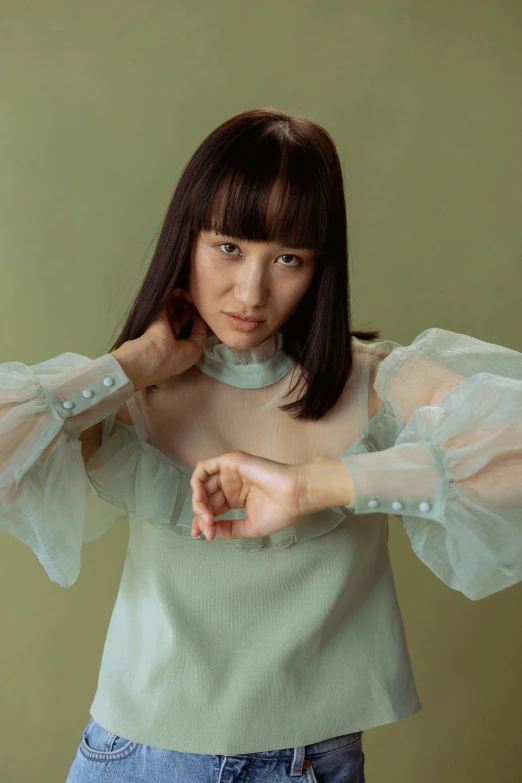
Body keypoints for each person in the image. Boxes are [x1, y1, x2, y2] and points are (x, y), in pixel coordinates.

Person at [1, 107, 521, 783]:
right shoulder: (130, 393)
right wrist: (134, 361)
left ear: (319, 268)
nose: (251, 290)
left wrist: (314, 484)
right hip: (136, 756)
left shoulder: (374, 381)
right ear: (187, 239)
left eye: (287, 258)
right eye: (228, 248)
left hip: (309, 761)